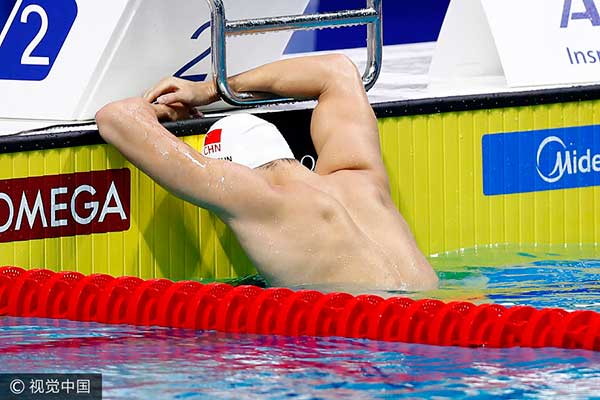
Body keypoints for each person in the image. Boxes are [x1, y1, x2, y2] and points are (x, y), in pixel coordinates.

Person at [95, 54, 439, 292]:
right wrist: (212, 89)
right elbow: (336, 71)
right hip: (440, 313)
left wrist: (158, 112)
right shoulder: (360, 176)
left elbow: (116, 117)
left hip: (370, 345)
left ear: (233, 165)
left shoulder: (260, 200)